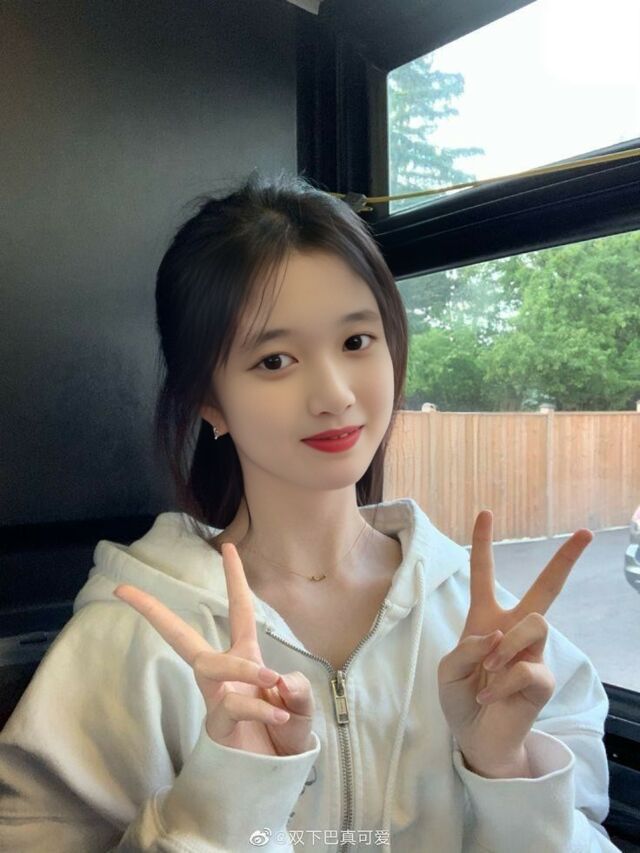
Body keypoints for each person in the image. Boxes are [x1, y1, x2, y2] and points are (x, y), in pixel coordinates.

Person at [0, 170, 619, 852]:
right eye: (275, 360)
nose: (334, 395)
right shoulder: (134, 640)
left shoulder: (479, 629)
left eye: (356, 342)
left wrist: (507, 769)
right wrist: (223, 798)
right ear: (209, 401)